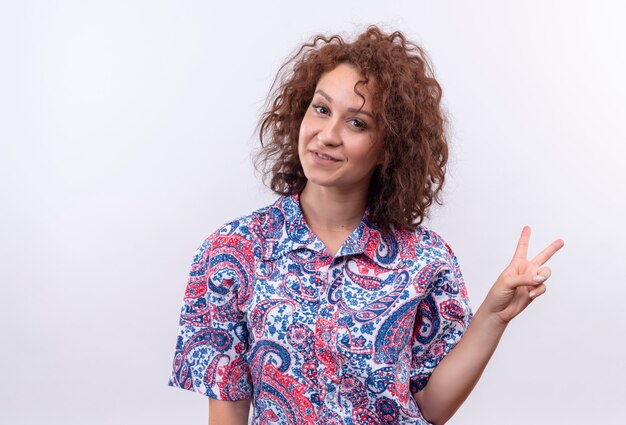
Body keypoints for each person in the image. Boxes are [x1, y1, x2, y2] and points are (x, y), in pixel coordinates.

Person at [168, 26, 564, 425]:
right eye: (321, 109)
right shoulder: (233, 251)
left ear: (388, 148)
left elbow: (433, 407)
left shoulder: (427, 258)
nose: (328, 135)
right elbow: (226, 409)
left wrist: (493, 318)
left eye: (357, 123)